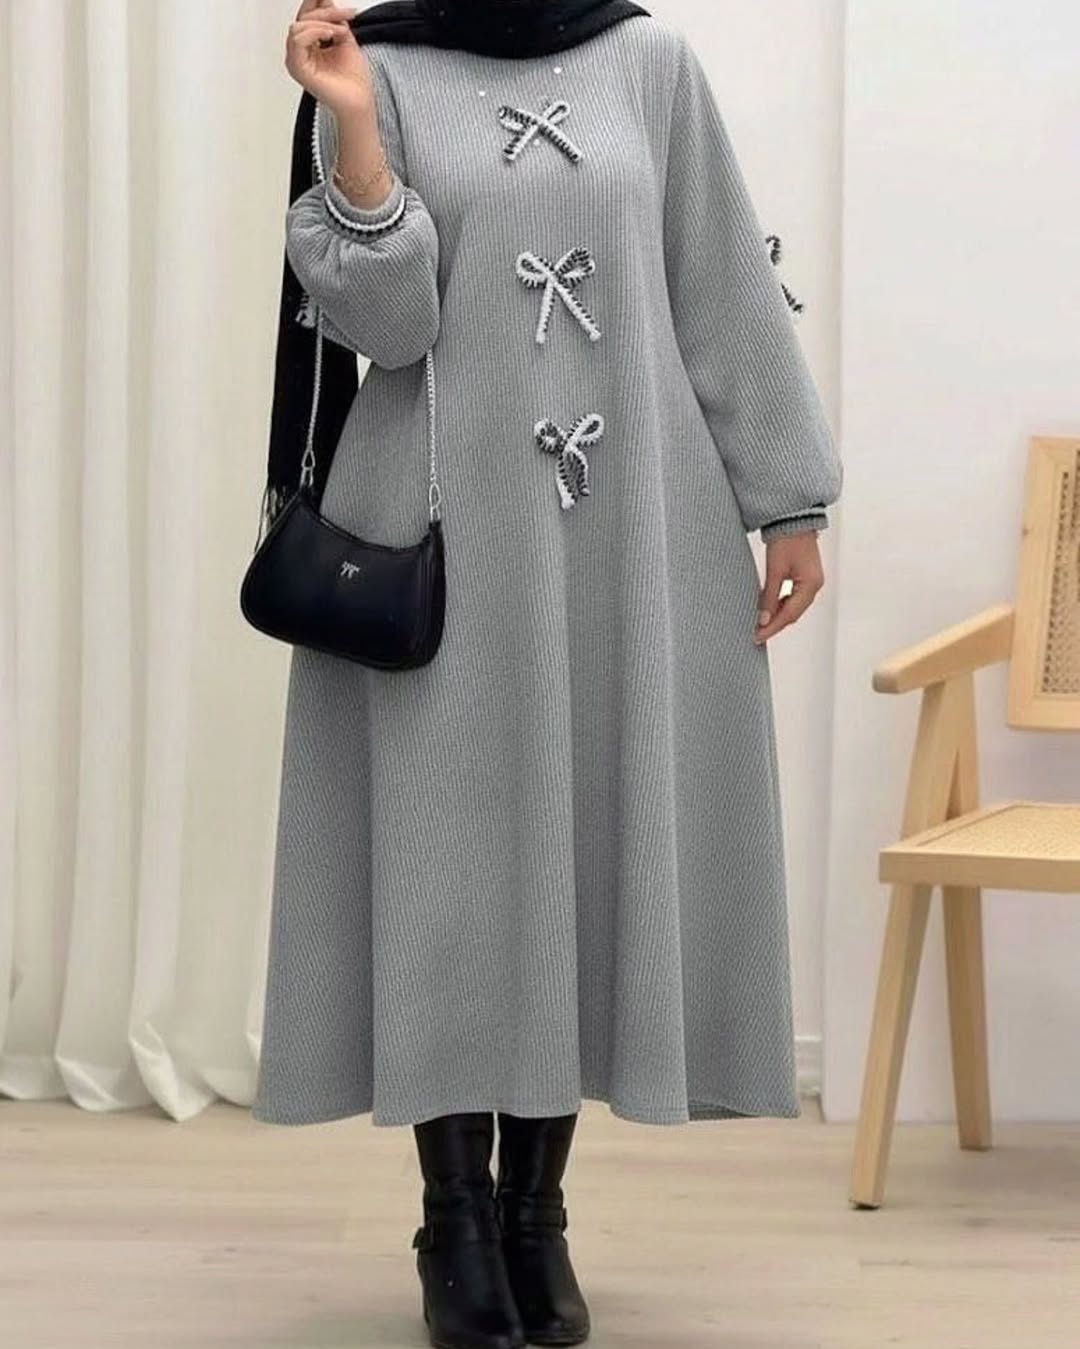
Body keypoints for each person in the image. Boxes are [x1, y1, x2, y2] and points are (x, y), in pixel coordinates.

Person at [250, 2, 844, 1347]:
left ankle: (537, 1214)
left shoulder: (652, 63)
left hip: (628, 527)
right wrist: (354, 125)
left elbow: (718, 281)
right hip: (445, 528)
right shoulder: (380, 68)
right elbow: (389, 326)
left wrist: (790, 500)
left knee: (580, 853)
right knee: (453, 866)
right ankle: (453, 1218)